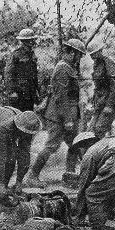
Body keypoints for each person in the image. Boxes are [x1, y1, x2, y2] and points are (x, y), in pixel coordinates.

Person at [25, 38, 86, 188]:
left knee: (75, 145)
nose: (79, 58)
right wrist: (67, 119)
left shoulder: (68, 68)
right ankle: (32, 176)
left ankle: (70, 176)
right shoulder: (62, 69)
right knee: (52, 145)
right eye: (78, 55)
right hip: (59, 116)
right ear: (72, 53)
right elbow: (61, 97)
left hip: (66, 115)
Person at [0, 108, 42, 199]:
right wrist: (0, 183)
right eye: (25, 133)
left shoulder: (28, 126)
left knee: (12, 158)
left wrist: (19, 181)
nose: (27, 135)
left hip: (11, 122)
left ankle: (3, 189)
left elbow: (25, 154)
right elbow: (0, 156)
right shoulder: (5, 127)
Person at [88, 39, 115, 138]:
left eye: (94, 53)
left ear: (99, 51)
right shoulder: (96, 65)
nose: (92, 56)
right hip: (100, 101)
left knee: (99, 129)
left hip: (109, 101)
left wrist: (109, 105)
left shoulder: (108, 63)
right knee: (90, 130)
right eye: (91, 54)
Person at [5, 28, 39, 111]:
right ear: (23, 41)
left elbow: (34, 75)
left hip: (30, 92)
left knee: (28, 115)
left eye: (32, 40)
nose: (32, 42)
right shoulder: (16, 55)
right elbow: (8, 73)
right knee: (17, 114)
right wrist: (12, 92)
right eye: (29, 40)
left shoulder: (32, 55)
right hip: (18, 92)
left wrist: (37, 90)